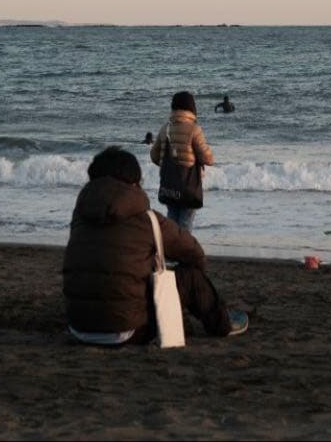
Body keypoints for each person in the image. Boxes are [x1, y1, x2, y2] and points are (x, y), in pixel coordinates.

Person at [62, 146, 248, 346]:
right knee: (192, 278)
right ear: (134, 183)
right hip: (128, 332)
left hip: (78, 327)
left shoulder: (79, 216)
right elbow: (194, 253)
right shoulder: (147, 220)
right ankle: (223, 324)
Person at [150, 91, 214, 232]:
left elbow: (154, 155)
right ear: (191, 107)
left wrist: (168, 164)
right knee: (185, 222)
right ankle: (182, 246)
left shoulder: (165, 128)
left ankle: (170, 245)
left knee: (172, 218)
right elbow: (208, 159)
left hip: (169, 184)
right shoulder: (194, 129)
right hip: (188, 185)